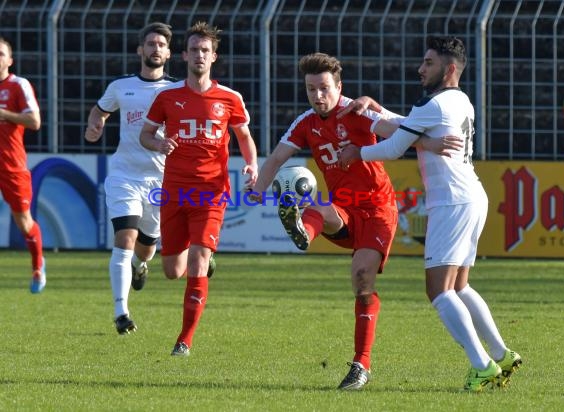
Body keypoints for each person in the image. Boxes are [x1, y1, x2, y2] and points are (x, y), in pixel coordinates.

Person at [248, 52, 445, 390]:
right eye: (311, 89)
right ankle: (302, 232)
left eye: (324, 88)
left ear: (339, 86)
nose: (318, 96)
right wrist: (257, 190)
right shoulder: (305, 122)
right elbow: (278, 157)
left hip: (379, 209)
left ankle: (360, 365)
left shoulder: (356, 110)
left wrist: (432, 143)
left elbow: (397, 132)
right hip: (344, 208)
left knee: (362, 278)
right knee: (320, 207)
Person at [338, 36, 522, 392]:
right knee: (460, 286)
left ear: (449, 68)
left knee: (438, 290)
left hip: (451, 201)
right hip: (470, 196)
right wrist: (377, 112)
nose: (420, 69)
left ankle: (482, 366)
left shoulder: (433, 104)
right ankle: (501, 353)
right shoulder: (459, 100)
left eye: (429, 63)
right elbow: (410, 126)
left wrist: (357, 152)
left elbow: (394, 148)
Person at [139, 21, 258, 356]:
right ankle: (205, 263)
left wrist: (252, 165)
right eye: (194, 50)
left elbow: (244, 138)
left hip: (211, 192)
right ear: (184, 55)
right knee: (172, 271)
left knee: (197, 258)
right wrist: (158, 143)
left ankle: (184, 340)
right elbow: (145, 135)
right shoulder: (168, 97)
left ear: (214, 56)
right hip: (175, 192)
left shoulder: (230, 98)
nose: (199, 56)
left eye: (205, 50)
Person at [84, 22, 177, 334]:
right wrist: (93, 127)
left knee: (147, 246)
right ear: (140, 50)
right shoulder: (120, 86)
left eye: (161, 44)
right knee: (125, 239)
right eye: (150, 43)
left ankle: (140, 266)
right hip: (125, 175)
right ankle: (121, 312)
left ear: (168, 52)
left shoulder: (176, 91)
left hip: (161, 182)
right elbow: (100, 110)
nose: (155, 49)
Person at [0, 37, 45, 294]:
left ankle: (38, 264)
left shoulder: (18, 85)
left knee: (23, 221)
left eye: (0, 54)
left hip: (10, 164)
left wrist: (4, 114)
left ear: (10, 60)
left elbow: (34, 121)